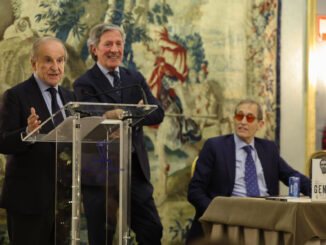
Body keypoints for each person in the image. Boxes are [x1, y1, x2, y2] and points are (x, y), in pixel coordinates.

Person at [73, 23, 164, 245]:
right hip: (101, 173)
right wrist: (134, 112)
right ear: (94, 49)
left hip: (134, 170)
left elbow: (157, 113)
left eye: (118, 43)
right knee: (102, 236)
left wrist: (122, 115)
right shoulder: (84, 83)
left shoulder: (135, 78)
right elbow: (93, 120)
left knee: (152, 230)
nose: (114, 49)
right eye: (108, 44)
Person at [186, 99, 311, 244]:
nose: (243, 122)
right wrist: (216, 214)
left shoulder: (268, 148)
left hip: (267, 218)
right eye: (239, 116)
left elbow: (291, 175)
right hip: (229, 218)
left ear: (260, 124)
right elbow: (195, 191)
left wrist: (319, 189)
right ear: (234, 119)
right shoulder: (215, 146)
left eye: (249, 117)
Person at [0, 36, 76, 245]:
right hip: (28, 201)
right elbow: (3, 141)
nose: (55, 67)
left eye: (60, 60)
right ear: (34, 63)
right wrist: (27, 132)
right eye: (48, 60)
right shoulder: (15, 96)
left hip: (63, 201)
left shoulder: (71, 98)